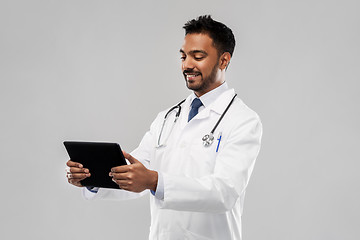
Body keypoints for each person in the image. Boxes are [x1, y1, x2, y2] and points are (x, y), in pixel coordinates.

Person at [66, 15, 262, 240]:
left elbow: (224, 193)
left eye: (198, 56)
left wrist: (154, 181)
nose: (187, 65)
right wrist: (92, 178)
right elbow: (136, 175)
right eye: (183, 56)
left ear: (224, 60)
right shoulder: (168, 118)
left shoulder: (243, 120)